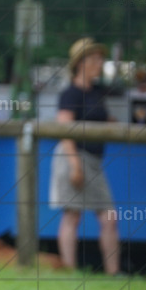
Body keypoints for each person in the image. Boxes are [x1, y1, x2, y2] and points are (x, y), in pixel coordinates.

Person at [50, 37, 120, 274]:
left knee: (109, 216)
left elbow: (98, 119)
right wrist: (74, 165)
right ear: (80, 63)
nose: (100, 63)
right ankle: (69, 270)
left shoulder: (97, 91)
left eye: (100, 58)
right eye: (95, 58)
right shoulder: (69, 93)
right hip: (75, 156)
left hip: (94, 160)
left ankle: (113, 272)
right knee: (72, 215)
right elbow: (65, 129)